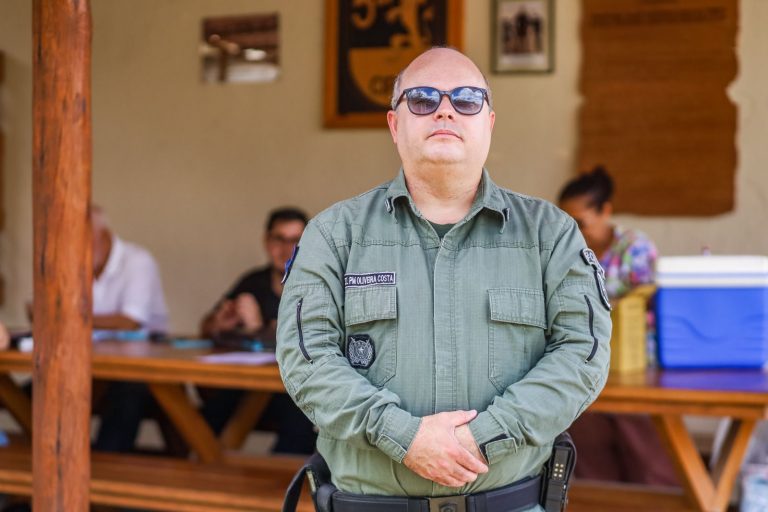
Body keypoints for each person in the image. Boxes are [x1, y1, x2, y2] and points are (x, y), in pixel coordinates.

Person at [276, 47, 611, 510]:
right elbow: (306, 359)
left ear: (488, 123)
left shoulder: (550, 235)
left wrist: (484, 438)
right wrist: (403, 437)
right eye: (422, 99)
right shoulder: (334, 235)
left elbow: (582, 353)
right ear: (395, 125)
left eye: (467, 99)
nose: (446, 110)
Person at [558, 166, 676, 485]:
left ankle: (658, 500)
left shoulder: (635, 247)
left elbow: (648, 302)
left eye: (580, 222)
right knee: (589, 442)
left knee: (641, 445)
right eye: (566, 222)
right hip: (583, 363)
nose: (573, 230)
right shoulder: (567, 251)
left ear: (605, 211)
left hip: (634, 365)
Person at [199, 207, 316, 455]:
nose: (286, 249)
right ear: (266, 241)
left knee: (299, 417)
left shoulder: (317, 284)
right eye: (279, 239)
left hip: (295, 391)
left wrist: (257, 329)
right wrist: (219, 323)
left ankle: (279, 479)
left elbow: (314, 342)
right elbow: (206, 328)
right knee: (211, 411)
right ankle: (200, 469)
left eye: (295, 240)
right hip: (251, 387)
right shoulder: (254, 281)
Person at [89, 205, 170, 453]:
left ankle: (103, 469)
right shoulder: (72, 260)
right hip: (93, 366)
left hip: (142, 368)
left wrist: (68, 317)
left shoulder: (136, 261)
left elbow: (130, 320)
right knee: (37, 392)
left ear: (102, 235)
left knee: (126, 396)